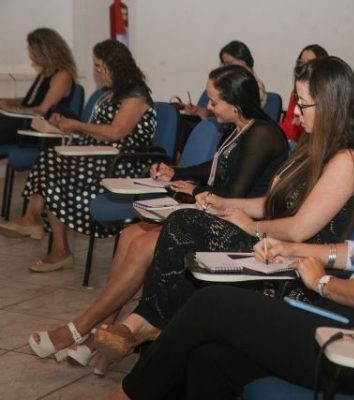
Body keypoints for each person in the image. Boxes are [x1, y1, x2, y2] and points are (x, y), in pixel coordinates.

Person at [106, 70, 354, 400]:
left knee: (213, 304)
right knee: (212, 358)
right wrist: (292, 250)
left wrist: (320, 282)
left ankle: (125, 394)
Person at [94, 56, 354, 362]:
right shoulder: (313, 145)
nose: (294, 113)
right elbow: (272, 202)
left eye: (303, 105)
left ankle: (146, 324)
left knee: (185, 224)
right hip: (272, 245)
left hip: (292, 260)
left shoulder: (346, 160)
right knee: (186, 224)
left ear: (329, 105)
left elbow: (298, 229)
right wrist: (226, 205)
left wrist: (250, 226)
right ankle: (148, 325)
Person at [25, 64, 289, 367]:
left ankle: (78, 328)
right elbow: (216, 169)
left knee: (142, 244)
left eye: (214, 101)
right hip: (218, 212)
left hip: (240, 225)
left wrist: (193, 189)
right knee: (129, 233)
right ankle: (100, 332)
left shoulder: (263, 133)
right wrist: (177, 172)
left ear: (236, 104)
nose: (208, 106)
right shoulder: (238, 127)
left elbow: (234, 192)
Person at [0, 39, 156, 272]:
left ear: (115, 66)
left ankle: (50, 239)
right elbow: (98, 130)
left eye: (100, 67)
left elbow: (116, 132)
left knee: (53, 166)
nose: (97, 72)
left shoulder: (135, 94)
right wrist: (66, 125)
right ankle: (40, 227)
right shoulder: (111, 93)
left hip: (122, 163)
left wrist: (77, 125)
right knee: (51, 159)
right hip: (98, 156)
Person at [0, 27, 77, 145]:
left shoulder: (62, 75)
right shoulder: (45, 72)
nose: (31, 55)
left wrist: (11, 109)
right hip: (24, 123)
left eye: (33, 52)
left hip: (34, 129)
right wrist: (7, 102)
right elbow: (30, 101)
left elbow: (42, 111)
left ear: (46, 52)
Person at [182, 40, 267, 120]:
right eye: (224, 64)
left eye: (230, 63)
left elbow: (235, 115)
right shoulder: (231, 83)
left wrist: (204, 112)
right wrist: (197, 110)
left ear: (244, 60)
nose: (227, 67)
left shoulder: (255, 87)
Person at [280, 44, 328, 142]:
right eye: (301, 63)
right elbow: (288, 127)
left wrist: (300, 125)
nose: (304, 67)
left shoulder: (327, 96)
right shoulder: (297, 91)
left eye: (310, 63)